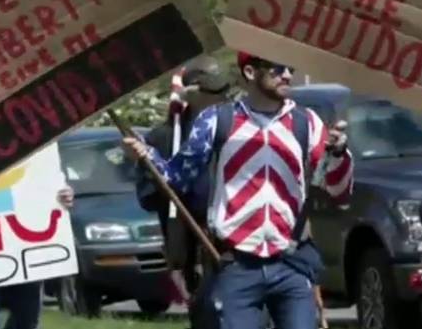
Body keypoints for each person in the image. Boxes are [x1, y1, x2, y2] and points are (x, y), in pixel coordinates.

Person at [122, 52, 353, 329]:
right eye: (277, 68)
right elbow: (178, 177)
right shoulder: (217, 120)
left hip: (292, 262)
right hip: (237, 265)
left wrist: (339, 154)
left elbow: (340, 192)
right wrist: (147, 156)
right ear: (251, 73)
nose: (287, 75)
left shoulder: (307, 123)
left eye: (289, 68)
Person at [136, 57, 231, 299]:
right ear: (191, 93)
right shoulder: (162, 138)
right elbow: (147, 196)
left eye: (224, 91)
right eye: (214, 91)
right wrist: (168, 186)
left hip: (231, 239)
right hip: (188, 244)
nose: (223, 98)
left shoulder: (237, 128)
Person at [0, 185, 74, 329]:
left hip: (24, 266)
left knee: (26, 320)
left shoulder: (34, 168)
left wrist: (61, 198)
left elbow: (49, 188)